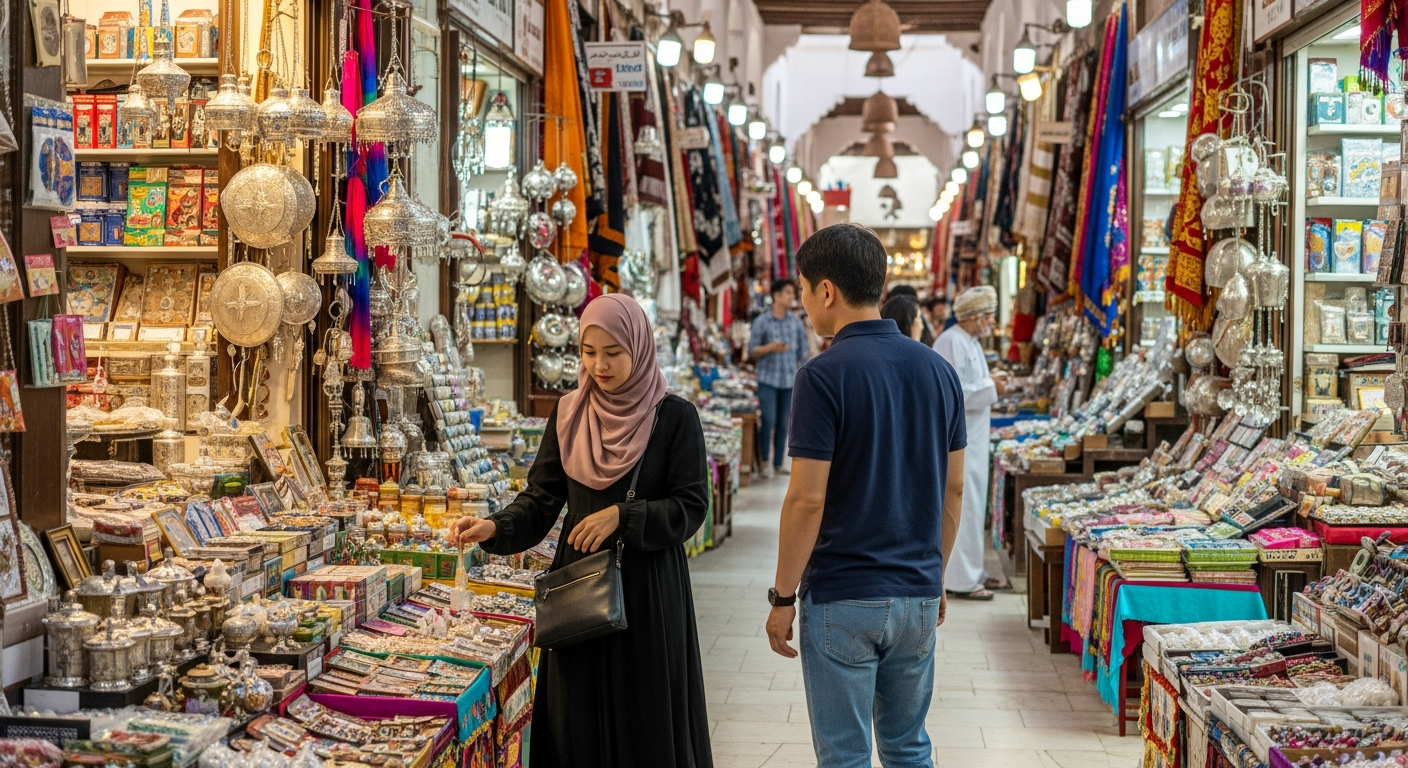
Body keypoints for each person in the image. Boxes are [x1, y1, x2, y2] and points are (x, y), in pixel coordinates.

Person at [449, 294, 713, 768]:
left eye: (613, 351)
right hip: (578, 593)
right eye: (589, 352)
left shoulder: (674, 417)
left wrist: (624, 518)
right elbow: (541, 498)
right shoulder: (570, 412)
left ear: (639, 345)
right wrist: (494, 526)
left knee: (644, 722)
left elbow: (691, 508)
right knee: (577, 725)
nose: (600, 364)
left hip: (647, 596)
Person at [764, 223, 968, 768]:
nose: (805, 303)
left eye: (805, 290)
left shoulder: (822, 376)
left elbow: (807, 501)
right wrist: (936, 575)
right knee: (908, 747)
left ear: (826, 291)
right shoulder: (940, 373)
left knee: (845, 755)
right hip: (918, 593)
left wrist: (783, 598)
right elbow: (954, 490)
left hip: (843, 596)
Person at [932, 286, 1012, 601]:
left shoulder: (969, 342)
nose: (991, 322)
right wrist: (995, 387)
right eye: (988, 317)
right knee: (962, 504)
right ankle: (959, 579)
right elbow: (955, 393)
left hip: (974, 436)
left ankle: (972, 572)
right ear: (975, 317)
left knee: (974, 504)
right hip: (960, 437)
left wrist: (992, 383)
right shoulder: (951, 342)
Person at [747, 279, 810, 479]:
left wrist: (803, 374)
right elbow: (752, 351)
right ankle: (765, 461)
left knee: (784, 423)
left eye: (793, 293)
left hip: (789, 380)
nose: (791, 297)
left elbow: (804, 350)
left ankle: (778, 463)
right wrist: (771, 347)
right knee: (768, 420)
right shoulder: (762, 322)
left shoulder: (795, 322)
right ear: (776, 295)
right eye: (788, 293)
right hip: (768, 379)